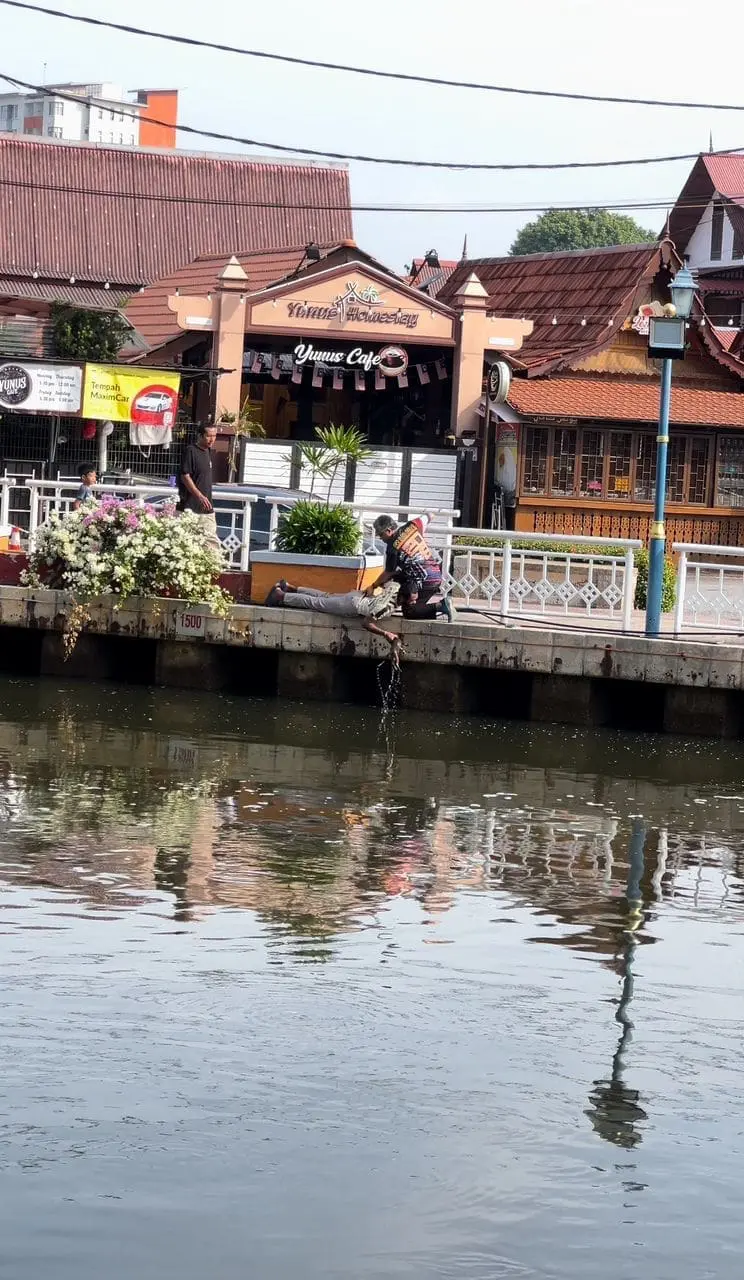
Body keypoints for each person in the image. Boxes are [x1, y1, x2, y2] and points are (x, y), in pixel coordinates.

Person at [264, 579, 403, 658]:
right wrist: (385, 633)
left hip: (359, 595)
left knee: (325, 596)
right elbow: (366, 623)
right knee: (316, 603)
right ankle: (281, 596)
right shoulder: (386, 608)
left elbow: (384, 580)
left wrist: (373, 587)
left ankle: (290, 587)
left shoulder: (396, 587)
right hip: (352, 606)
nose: (411, 603)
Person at [368, 512, 455, 621]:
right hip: (436, 576)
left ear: (389, 531)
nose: (381, 539)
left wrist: (373, 585)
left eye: (381, 535)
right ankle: (436, 609)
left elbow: (388, 573)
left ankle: (441, 605)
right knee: (402, 580)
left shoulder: (392, 548)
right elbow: (430, 515)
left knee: (409, 611)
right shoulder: (412, 526)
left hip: (424, 581)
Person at [177, 425, 221, 551]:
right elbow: (185, 476)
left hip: (206, 507)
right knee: (184, 545)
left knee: (211, 544)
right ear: (200, 435)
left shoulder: (208, 451)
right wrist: (199, 496)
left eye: (214, 436)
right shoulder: (191, 451)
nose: (212, 439)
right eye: (208, 436)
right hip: (190, 507)